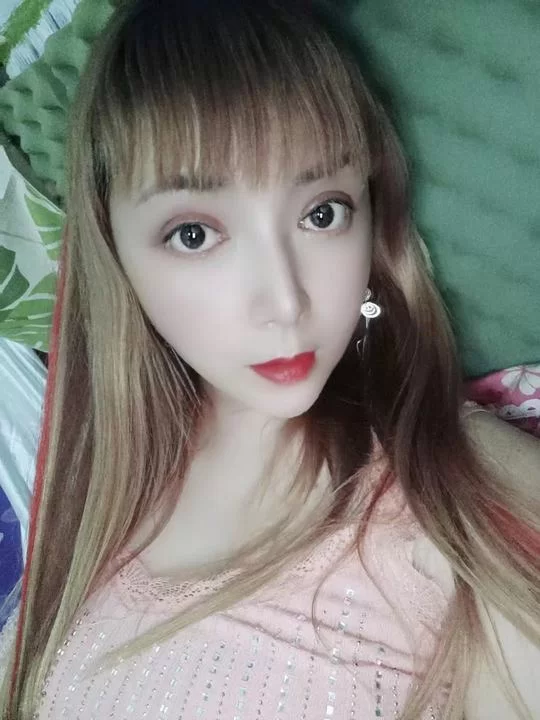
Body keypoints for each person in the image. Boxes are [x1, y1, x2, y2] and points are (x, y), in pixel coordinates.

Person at [1, 0, 539, 717]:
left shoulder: (453, 474)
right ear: (114, 251)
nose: (285, 303)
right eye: (195, 233)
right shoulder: (90, 496)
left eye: (323, 213)